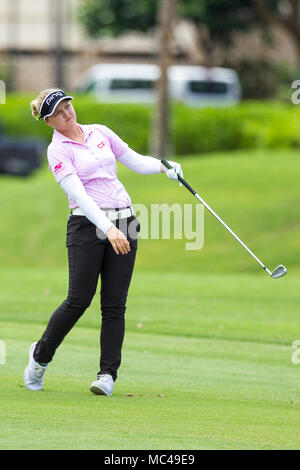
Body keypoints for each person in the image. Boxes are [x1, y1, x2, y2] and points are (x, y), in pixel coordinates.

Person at [24, 88, 183, 396]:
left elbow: (135, 161)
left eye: (67, 106)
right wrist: (108, 228)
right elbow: (80, 196)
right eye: (58, 112)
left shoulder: (100, 132)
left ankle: (107, 375)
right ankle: (40, 357)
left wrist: (164, 166)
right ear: (48, 122)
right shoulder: (57, 151)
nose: (67, 113)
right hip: (87, 226)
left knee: (114, 304)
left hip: (126, 221)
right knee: (78, 300)